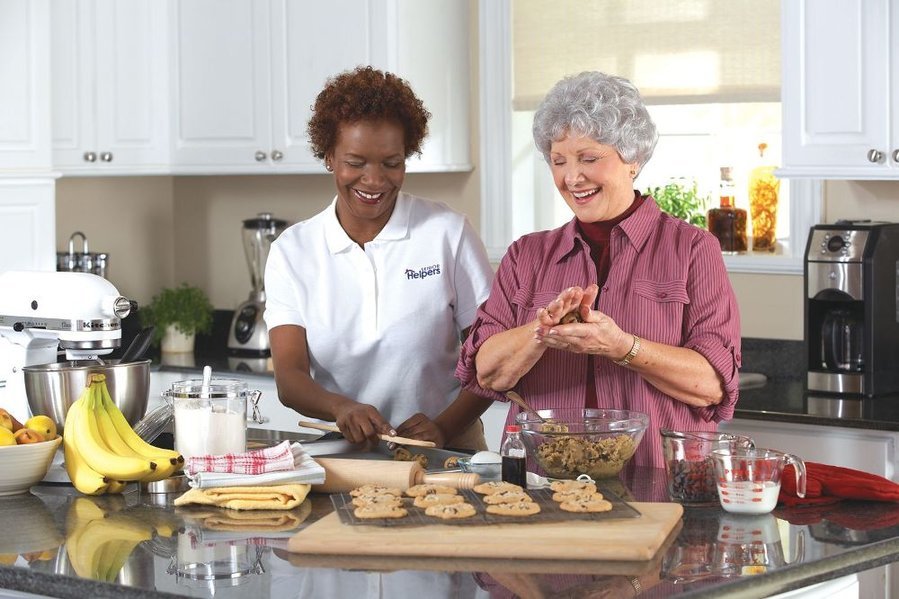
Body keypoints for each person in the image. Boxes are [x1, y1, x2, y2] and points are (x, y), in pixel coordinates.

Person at [455, 71, 741, 468]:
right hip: (540, 486)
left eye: (589, 158)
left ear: (633, 159)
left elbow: (711, 385)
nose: (572, 177)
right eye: (559, 161)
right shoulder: (527, 255)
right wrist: (541, 331)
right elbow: (487, 374)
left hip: (657, 484)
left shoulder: (693, 250)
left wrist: (622, 347)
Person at [264, 66, 494, 450]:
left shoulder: (448, 233)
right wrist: (342, 408)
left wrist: (443, 427)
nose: (374, 180)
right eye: (355, 163)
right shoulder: (292, 251)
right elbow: (290, 379)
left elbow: (493, 361)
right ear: (329, 157)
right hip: (347, 451)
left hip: (450, 448)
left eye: (391, 163)